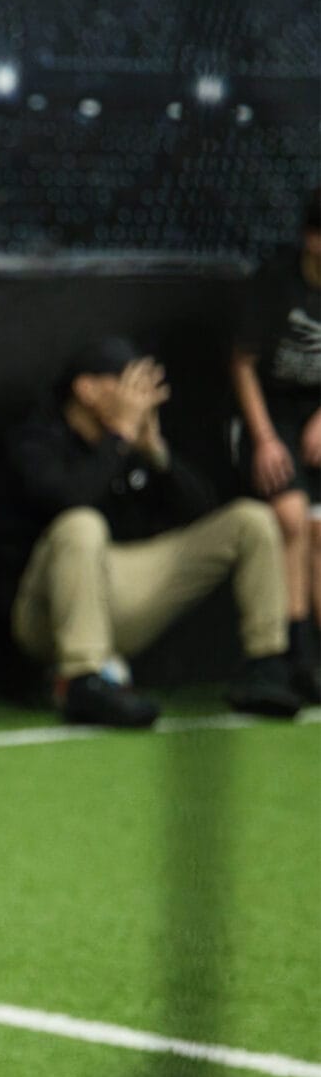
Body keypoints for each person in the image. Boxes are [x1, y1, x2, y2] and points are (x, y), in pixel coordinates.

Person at [0, 335, 300, 726]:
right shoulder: (37, 440)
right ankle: (83, 680)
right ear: (86, 389)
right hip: (46, 613)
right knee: (81, 524)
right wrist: (119, 436)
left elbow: (202, 513)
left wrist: (156, 452)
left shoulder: (133, 444)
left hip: (123, 593)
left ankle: (267, 666)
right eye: (128, 383)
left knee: (249, 520)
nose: (140, 397)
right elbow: (69, 500)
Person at [229, 185, 321, 705]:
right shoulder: (275, 281)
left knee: (319, 528)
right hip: (270, 412)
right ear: (313, 240)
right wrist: (264, 439)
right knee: (290, 517)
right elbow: (242, 363)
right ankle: (296, 657)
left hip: (316, 415)